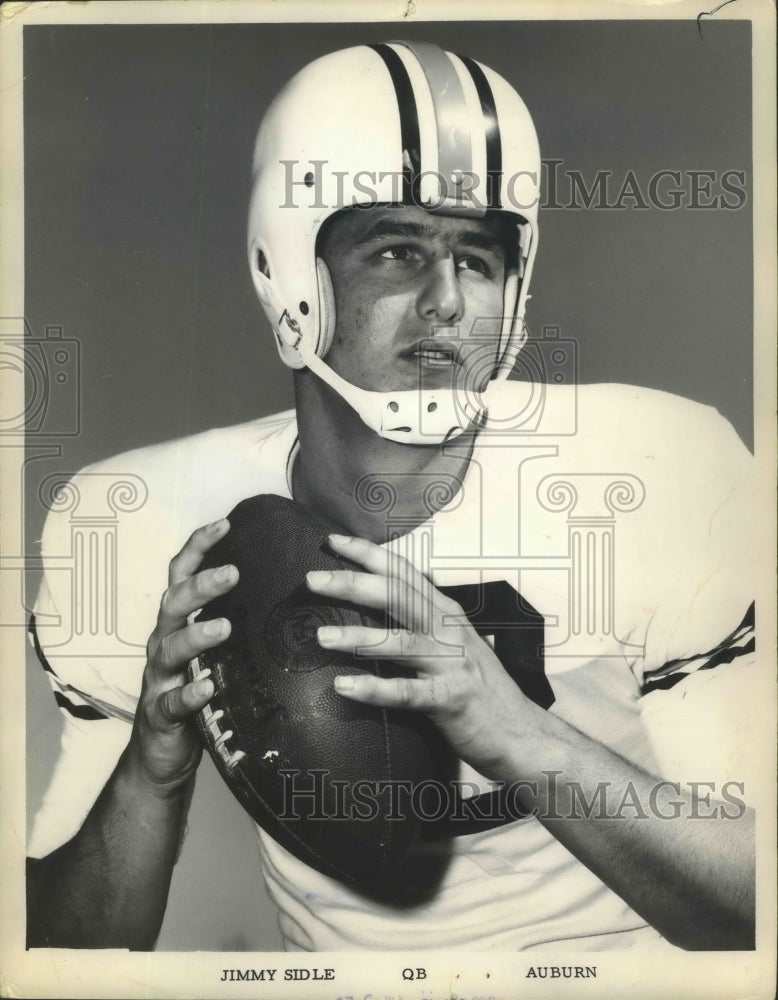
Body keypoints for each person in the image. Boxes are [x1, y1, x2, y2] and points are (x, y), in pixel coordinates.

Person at [26, 40, 758, 952]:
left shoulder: (657, 462)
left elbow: (757, 906)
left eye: (479, 260)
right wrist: (151, 769)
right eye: (396, 249)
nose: (447, 301)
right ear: (291, 272)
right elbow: (55, 957)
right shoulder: (133, 519)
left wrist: (514, 733)